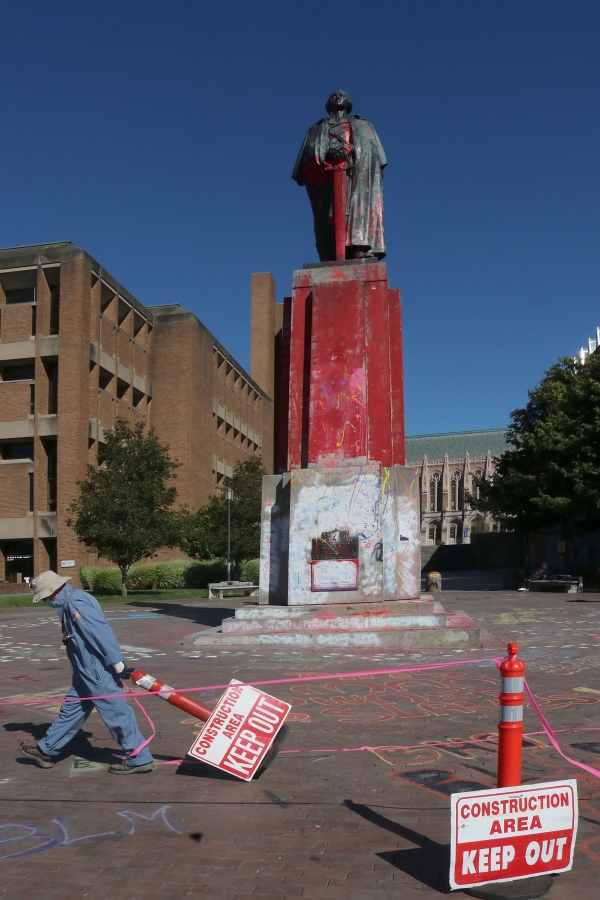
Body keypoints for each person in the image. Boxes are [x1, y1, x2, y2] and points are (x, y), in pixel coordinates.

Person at [19, 570, 154, 774]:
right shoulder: (70, 603)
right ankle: (47, 749)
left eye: (45, 598)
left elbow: (100, 632)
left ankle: (139, 757)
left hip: (96, 671)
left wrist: (117, 662)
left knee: (116, 712)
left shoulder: (76, 603)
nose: (45, 601)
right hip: (85, 672)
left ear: (54, 592)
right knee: (71, 710)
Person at [292, 90, 387, 261]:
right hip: (329, 178)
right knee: (332, 215)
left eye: (342, 95)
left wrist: (350, 154)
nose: (337, 96)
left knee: (356, 210)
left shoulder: (363, 126)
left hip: (357, 179)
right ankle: (332, 251)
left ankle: (359, 247)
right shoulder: (316, 129)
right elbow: (305, 159)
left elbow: (374, 157)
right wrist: (326, 153)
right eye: (333, 95)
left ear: (349, 104)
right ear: (327, 105)